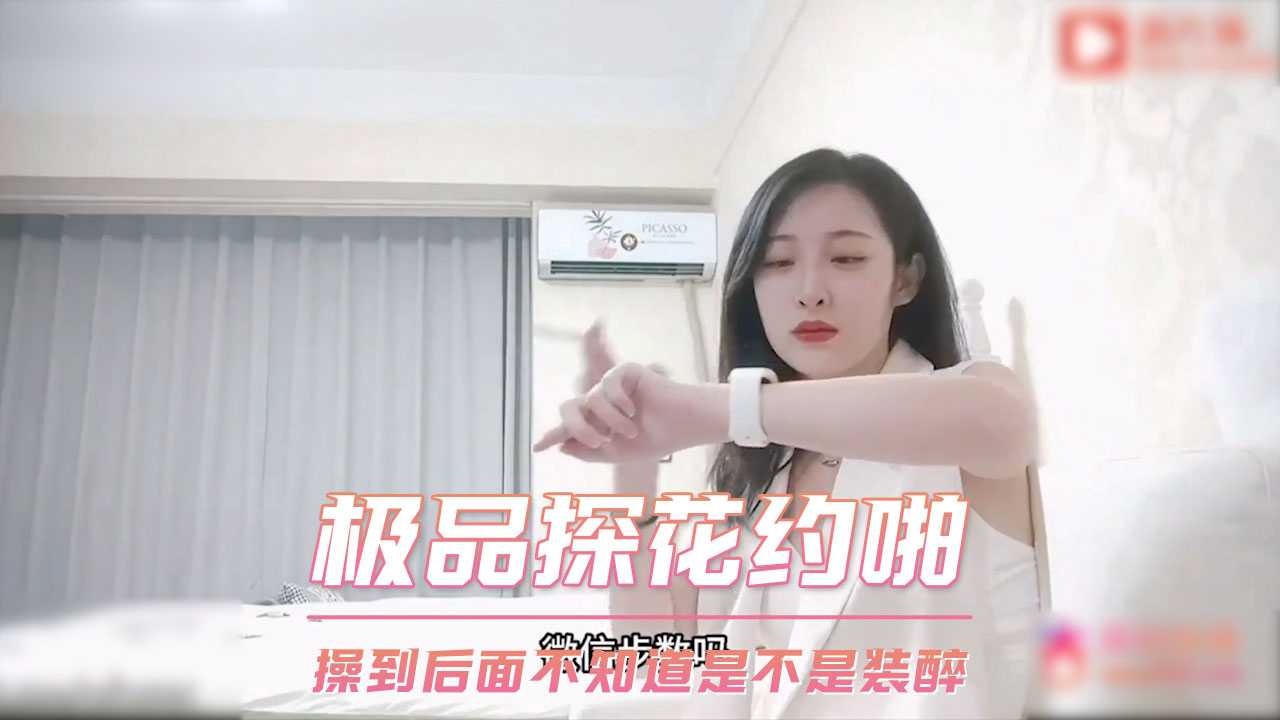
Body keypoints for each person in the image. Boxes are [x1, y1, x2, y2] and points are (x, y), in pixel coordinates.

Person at [534, 148, 1041, 719]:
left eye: (847, 258)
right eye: (777, 263)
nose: (810, 291)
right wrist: (634, 463)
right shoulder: (767, 470)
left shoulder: (965, 404)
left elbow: (1001, 423)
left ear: (905, 279)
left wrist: (717, 408)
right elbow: (650, 649)